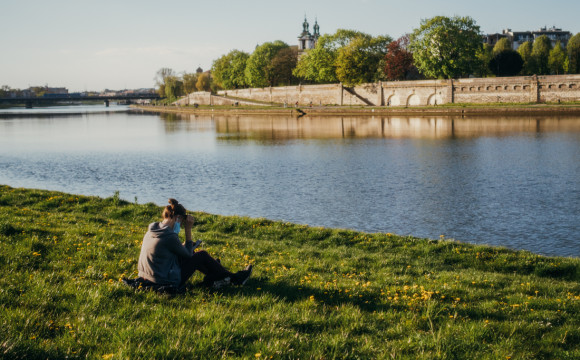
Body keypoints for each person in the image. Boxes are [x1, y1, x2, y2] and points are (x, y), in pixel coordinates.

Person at [137, 198, 252, 289]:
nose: (180, 225)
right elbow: (187, 255)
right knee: (200, 255)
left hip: (147, 276)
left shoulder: (154, 229)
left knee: (193, 251)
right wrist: (188, 230)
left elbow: (168, 252)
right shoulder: (169, 236)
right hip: (165, 281)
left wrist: (185, 247)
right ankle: (235, 278)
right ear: (178, 218)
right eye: (181, 222)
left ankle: (217, 274)